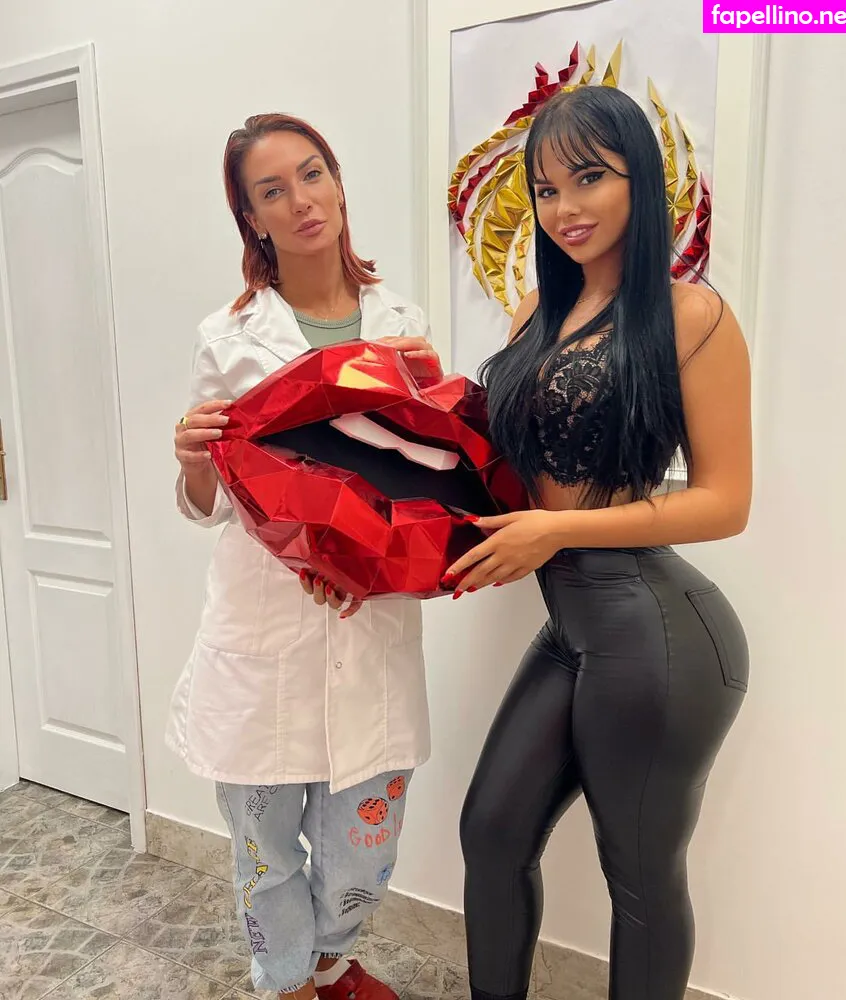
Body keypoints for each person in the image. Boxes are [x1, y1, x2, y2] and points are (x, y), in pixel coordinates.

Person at [443, 86, 752, 1000]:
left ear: (639, 181)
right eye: (545, 189)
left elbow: (726, 503)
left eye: (589, 178)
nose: (565, 207)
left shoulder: (690, 315)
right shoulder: (535, 314)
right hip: (571, 626)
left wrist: (557, 530)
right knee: (491, 832)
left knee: (640, 876)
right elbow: (498, 471)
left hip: (659, 633)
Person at [167, 113, 440, 1000]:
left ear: (339, 181)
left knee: (365, 835)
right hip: (268, 620)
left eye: (312, 173)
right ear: (252, 218)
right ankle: (287, 983)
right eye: (272, 190)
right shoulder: (227, 339)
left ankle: (328, 963)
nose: (301, 200)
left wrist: (437, 402)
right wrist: (192, 460)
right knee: (264, 839)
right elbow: (212, 504)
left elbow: (427, 480)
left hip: (371, 615)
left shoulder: (402, 323)